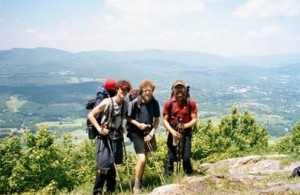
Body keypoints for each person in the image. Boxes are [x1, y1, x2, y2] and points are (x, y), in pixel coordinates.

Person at [87, 79, 132, 195]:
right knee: (103, 165)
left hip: (116, 136)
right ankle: (97, 191)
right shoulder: (107, 102)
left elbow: (121, 118)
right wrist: (99, 129)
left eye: (127, 90)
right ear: (117, 89)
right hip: (105, 137)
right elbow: (91, 115)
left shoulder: (125, 105)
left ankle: (111, 190)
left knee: (113, 164)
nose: (124, 92)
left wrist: (120, 127)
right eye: (123, 89)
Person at [126, 79, 160, 194]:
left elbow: (157, 120)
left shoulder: (154, 103)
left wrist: (151, 133)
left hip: (148, 133)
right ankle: (136, 186)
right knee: (142, 159)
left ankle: (139, 181)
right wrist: (138, 124)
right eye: (145, 90)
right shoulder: (135, 102)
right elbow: (128, 117)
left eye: (149, 90)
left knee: (145, 159)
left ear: (152, 91)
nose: (147, 92)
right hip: (136, 133)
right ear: (141, 91)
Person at [162, 80, 198, 176]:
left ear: (185, 89)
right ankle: (169, 176)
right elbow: (165, 120)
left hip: (186, 131)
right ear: (173, 90)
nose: (179, 90)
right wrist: (172, 131)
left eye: (181, 88)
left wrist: (185, 126)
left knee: (186, 156)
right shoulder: (169, 103)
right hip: (173, 130)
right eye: (177, 88)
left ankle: (189, 174)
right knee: (171, 155)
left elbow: (194, 119)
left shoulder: (190, 103)